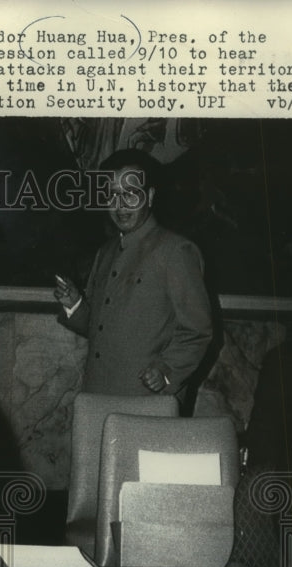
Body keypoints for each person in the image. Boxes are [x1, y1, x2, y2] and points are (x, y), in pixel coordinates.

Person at [54, 149, 212, 403]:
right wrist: (75, 305)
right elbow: (102, 329)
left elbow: (198, 331)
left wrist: (166, 371)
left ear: (149, 197)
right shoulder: (105, 253)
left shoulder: (176, 251)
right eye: (113, 195)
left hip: (147, 402)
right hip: (96, 398)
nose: (121, 205)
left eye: (131, 194)